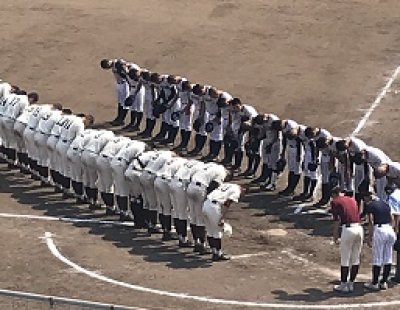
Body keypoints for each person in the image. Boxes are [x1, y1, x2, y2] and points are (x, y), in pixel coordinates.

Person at [330, 186, 363, 293]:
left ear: (334, 194)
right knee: (355, 258)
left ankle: (344, 285)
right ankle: (351, 284)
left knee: (345, 258)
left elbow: (336, 220)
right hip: (359, 228)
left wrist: (335, 235)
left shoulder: (335, 201)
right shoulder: (352, 199)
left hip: (348, 230)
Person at [363, 192, 396, 290]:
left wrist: (369, 237)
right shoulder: (385, 203)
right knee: (388, 257)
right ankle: (383, 282)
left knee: (377, 258)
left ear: (368, 197)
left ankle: (374, 283)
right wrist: (392, 230)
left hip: (380, 230)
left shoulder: (370, 205)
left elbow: (371, 222)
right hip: (389, 230)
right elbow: (392, 219)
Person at [202, 183, 242, 261]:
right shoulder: (237, 191)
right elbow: (227, 203)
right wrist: (222, 218)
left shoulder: (228, 185)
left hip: (206, 204)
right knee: (217, 231)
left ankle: (214, 252)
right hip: (213, 207)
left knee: (210, 231)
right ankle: (218, 254)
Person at [100, 58, 131, 126]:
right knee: (120, 102)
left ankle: (121, 120)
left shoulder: (119, 63)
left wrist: (130, 86)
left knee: (125, 103)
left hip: (125, 84)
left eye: (107, 67)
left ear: (108, 63)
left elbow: (127, 74)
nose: (108, 68)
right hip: (119, 84)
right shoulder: (114, 64)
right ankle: (118, 118)